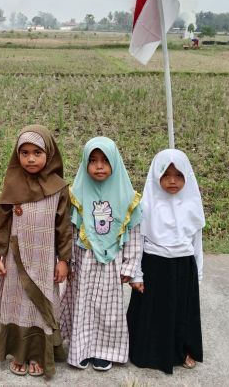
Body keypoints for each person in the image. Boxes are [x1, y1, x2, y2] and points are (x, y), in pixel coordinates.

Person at [0, 125, 72, 378]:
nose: (31, 158)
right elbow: (2, 222)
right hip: (16, 258)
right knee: (16, 303)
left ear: (49, 152)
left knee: (40, 306)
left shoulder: (58, 188)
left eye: (37, 152)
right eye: (24, 153)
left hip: (45, 258)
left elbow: (64, 227)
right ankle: (19, 352)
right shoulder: (12, 184)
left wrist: (64, 260)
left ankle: (37, 354)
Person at [59, 137, 142, 371]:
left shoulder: (128, 197)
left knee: (108, 311)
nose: (99, 166)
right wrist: (67, 262)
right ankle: (82, 349)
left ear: (115, 162)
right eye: (93, 160)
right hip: (83, 263)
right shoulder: (76, 194)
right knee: (82, 306)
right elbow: (69, 231)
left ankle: (104, 351)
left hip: (111, 264)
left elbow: (134, 235)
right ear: (85, 163)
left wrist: (130, 267)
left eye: (105, 160)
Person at [127, 148, 205, 374]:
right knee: (152, 313)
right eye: (166, 175)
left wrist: (197, 274)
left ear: (187, 177)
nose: (172, 181)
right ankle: (147, 352)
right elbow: (137, 241)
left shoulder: (191, 205)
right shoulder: (146, 206)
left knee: (181, 312)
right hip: (153, 266)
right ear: (155, 175)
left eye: (179, 175)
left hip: (183, 267)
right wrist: (136, 273)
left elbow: (196, 243)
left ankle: (182, 350)